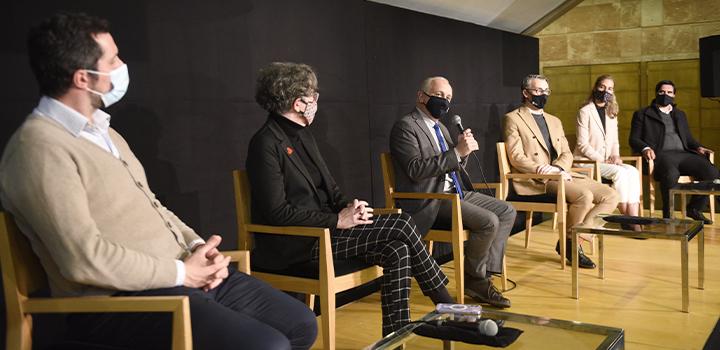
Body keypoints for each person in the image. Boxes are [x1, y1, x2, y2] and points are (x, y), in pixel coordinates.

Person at [0, 12, 317, 350]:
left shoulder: (106, 133)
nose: (123, 66)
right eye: (113, 59)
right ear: (83, 78)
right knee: (267, 346)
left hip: (179, 275)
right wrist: (183, 274)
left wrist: (198, 248)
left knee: (300, 323)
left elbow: (153, 206)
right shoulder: (39, 147)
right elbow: (84, 259)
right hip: (119, 301)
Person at [245, 62, 454, 336]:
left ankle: (395, 336)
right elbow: (276, 212)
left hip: (328, 231)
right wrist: (337, 220)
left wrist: (349, 206)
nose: (317, 101)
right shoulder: (265, 143)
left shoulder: (304, 136)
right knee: (402, 224)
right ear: (298, 103)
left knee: (397, 249)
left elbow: (330, 189)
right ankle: (447, 304)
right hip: (298, 242)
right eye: (313, 95)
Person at [389, 76, 516, 308]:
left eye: (448, 98)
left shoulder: (443, 128)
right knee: (488, 221)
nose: (444, 102)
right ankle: (477, 280)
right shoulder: (406, 127)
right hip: (431, 199)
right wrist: (457, 152)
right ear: (421, 96)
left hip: (456, 192)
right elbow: (415, 170)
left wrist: (463, 152)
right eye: (439, 96)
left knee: (506, 210)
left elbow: (453, 165)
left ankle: (482, 276)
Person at [503, 74, 619, 269]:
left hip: (561, 173)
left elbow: (566, 152)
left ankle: (575, 239)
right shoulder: (513, 118)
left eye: (546, 91)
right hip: (536, 179)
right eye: (538, 91)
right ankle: (572, 247)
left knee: (611, 195)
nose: (543, 95)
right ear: (525, 92)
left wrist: (558, 168)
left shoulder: (554, 120)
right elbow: (515, 156)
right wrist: (542, 169)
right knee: (584, 195)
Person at [630, 80, 719, 223]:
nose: (665, 95)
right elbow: (634, 139)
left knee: (711, 172)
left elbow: (688, 138)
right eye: (662, 92)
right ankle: (668, 214)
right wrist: (645, 148)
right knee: (670, 174)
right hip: (660, 155)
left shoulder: (680, 114)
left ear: (674, 95)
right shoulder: (643, 114)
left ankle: (694, 208)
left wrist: (698, 147)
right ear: (656, 93)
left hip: (684, 154)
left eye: (669, 92)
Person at [573, 75, 641, 218]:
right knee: (620, 173)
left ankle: (634, 216)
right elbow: (582, 144)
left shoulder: (611, 113)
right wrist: (602, 159)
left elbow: (615, 140)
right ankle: (625, 217)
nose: (605, 91)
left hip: (607, 163)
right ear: (595, 88)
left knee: (633, 171)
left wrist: (615, 155)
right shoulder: (585, 111)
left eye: (610, 88)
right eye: (602, 87)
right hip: (587, 162)